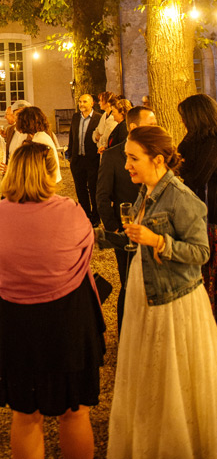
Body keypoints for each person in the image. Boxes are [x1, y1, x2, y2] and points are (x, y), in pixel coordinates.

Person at [98, 125, 217, 459]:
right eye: (126, 157)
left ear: (158, 159)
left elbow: (201, 253)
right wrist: (98, 237)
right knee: (149, 375)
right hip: (146, 291)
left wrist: (159, 241)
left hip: (173, 301)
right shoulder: (147, 191)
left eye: (133, 158)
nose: (126, 166)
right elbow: (137, 239)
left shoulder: (182, 198)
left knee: (171, 379)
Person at [0, 141, 105, 459]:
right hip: (68, 319)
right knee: (75, 412)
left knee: (25, 415)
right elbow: (86, 252)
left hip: (16, 321)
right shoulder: (71, 211)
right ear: (50, 174)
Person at [95, 105, 156, 333]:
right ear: (133, 127)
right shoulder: (112, 156)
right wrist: (115, 231)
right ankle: (125, 336)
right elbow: (102, 197)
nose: (155, 127)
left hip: (155, 232)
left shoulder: (157, 154)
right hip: (127, 234)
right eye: (151, 124)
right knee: (129, 285)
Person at [177, 93, 217, 318]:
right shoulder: (195, 138)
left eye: (185, 116)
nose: (182, 121)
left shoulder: (212, 141)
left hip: (212, 216)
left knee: (209, 271)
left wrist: (177, 166)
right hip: (203, 213)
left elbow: (198, 177)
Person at [67, 94, 102, 225]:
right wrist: (71, 156)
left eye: (85, 102)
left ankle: (96, 217)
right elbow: (72, 136)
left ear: (92, 103)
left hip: (92, 160)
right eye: (80, 101)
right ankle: (85, 215)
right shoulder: (76, 117)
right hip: (77, 160)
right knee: (80, 190)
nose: (81, 104)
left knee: (93, 189)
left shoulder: (99, 118)